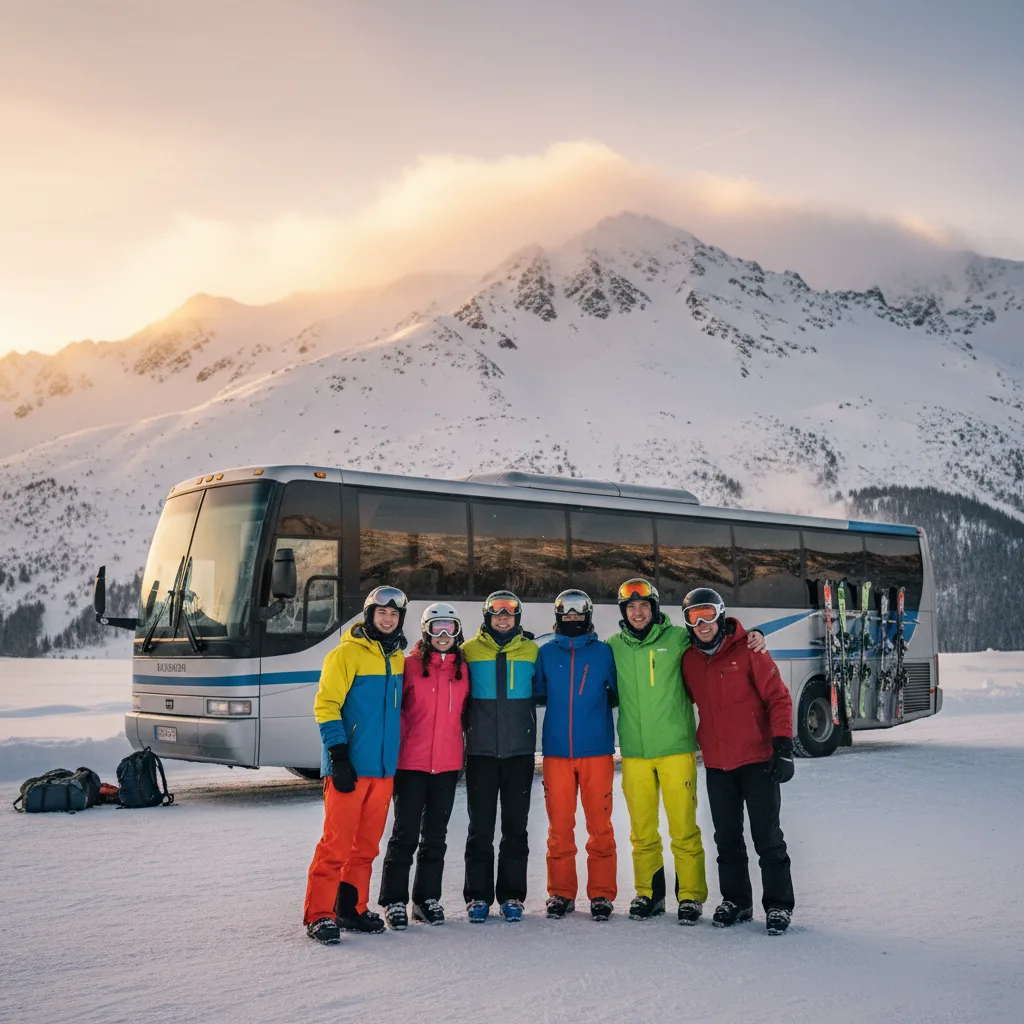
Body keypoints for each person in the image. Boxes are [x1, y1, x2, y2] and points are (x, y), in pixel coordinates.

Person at [607, 578, 767, 925]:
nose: (637, 612)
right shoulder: (613, 647)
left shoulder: (679, 639)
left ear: (654, 609)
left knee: (683, 828)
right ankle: (648, 893)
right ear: (624, 611)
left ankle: (690, 896)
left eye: (644, 606)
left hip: (676, 750)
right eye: (631, 607)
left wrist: (752, 633)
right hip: (634, 752)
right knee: (642, 830)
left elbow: (718, 636)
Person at [680, 587, 795, 935]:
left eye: (708, 615)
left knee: (767, 837)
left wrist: (783, 747)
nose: (702, 623)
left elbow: (779, 698)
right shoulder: (689, 660)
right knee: (726, 838)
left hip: (758, 760)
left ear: (721, 614)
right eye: (693, 617)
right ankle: (737, 901)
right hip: (718, 764)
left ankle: (778, 906)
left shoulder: (749, 650)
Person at [303, 586, 407, 945]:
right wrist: (338, 755)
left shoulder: (398, 659)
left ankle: (351, 908)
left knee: (366, 847)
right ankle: (319, 914)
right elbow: (326, 705)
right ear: (369, 615)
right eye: (382, 614)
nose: (388, 619)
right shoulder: (345, 655)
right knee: (336, 845)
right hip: (349, 768)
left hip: (382, 771)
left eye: (394, 615)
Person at [377, 603, 470, 929]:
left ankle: (426, 899)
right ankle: (394, 901)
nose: (443, 635)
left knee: (435, 836)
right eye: (436, 628)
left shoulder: (463, 669)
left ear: (457, 631)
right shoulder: (410, 666)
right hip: (411, 764)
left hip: (446, 765)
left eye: (449, 628)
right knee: (404, 835)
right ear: (425, 632)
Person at [533, 590, 619, 922]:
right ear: (558, 617)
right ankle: (561, 892)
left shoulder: (603, 653)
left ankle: (601, 894)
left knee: (600, 825)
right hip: (556, 752)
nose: (572, 617)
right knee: (560, 826)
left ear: (588, 616)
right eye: (566, 613)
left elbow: (616, 693)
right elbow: (539, 692)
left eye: (578, 613)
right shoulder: (545, 653)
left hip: (596, 750)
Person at [461, 590, 540, 922]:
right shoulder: (468, 651)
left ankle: (511, 896)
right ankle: (477, 896)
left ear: (517, 618)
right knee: (480, 827)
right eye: (497, 614)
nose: (503, 618)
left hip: (519, 753)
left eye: (509, 613)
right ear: (487, 617)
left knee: (515, 827)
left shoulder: (533, 651)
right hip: (480, 752)